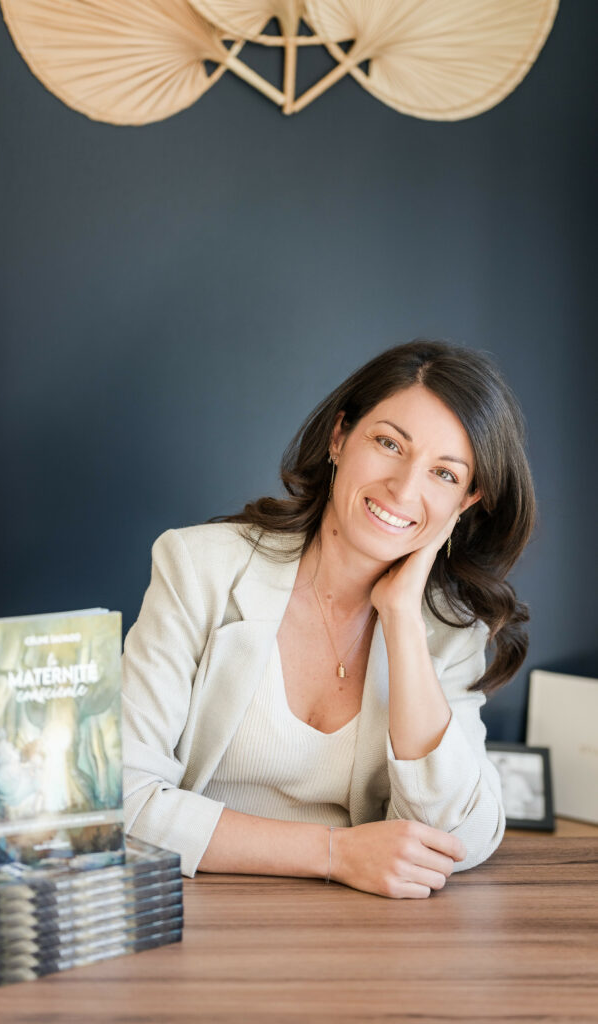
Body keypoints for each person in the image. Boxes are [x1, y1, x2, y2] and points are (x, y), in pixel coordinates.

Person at [122, 340, 535, 899]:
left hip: (361, 936)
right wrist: (334, 853)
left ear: (465, 501)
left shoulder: (448, 630)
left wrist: (401, 618)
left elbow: (458, 833)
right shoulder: (198, 568)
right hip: (193, 909)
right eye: (389, 443)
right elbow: (123, 799)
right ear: (340, 437)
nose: (405, 487)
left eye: (444, 474)